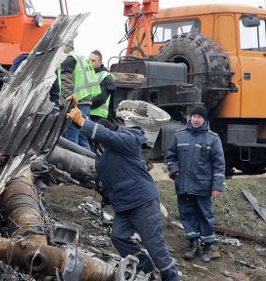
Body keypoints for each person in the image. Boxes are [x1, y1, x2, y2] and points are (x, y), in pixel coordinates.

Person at [67, 97, 179, 281]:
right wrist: (76, 113)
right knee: (119, 237)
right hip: (124, 204)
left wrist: (83, 121)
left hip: (142, 201)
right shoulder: (103, 153)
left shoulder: (129, 139)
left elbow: (107, 135)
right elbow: (98, 136)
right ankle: (145, 267)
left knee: (155, 247)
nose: (98, 143)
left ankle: (172, 278)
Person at [165, 105, 225, 262]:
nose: (196, 119)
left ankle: (207, 247)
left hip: (203, 186)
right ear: (190, 118)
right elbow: (170, 157)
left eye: (199, 117)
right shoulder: (179, 136)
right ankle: (193, 246)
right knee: (187, 214)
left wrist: (217, 186)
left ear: (204, 120)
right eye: (194, 116)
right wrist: (175, 172)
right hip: (183, 185)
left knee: (205, 216)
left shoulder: (213, 138)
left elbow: (219, 165)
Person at [59, 41, 100, 150]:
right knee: (82, 137)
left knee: (70, 139)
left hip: (76, 103)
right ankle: (90, 163)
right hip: (85, 101)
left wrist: (68, 103)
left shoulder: (68, 59)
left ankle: (70, 166)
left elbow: (66, 81)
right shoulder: (80, 58)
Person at [88, 50, 116, 122]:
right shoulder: (87, 75)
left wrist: (85, 105)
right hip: (85, 112)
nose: (90, 62)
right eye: (89, 60)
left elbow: (101, 98)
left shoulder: (106, 76)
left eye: (93, 61)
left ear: (100, 63)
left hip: (97, 116)